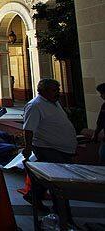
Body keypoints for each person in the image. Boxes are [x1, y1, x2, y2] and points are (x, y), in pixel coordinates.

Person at [22, 78, 77, 210]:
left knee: (46, 178)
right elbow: (28, 129)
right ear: (43, 91)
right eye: (54, 90)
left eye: (58, 89)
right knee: (58, 181)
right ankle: (62, 213)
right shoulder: (35, 105)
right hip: (48, 147)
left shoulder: (55, 103)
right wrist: (28, 148)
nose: (58, 92)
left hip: (61, 148)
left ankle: (34, 195)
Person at [93, 83, 105, 165]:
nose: (101, 96)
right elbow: (100, 122)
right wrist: (96, 133)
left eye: (102, 93)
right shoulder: (104, 106)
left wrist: (96, 134)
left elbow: (100, 122)